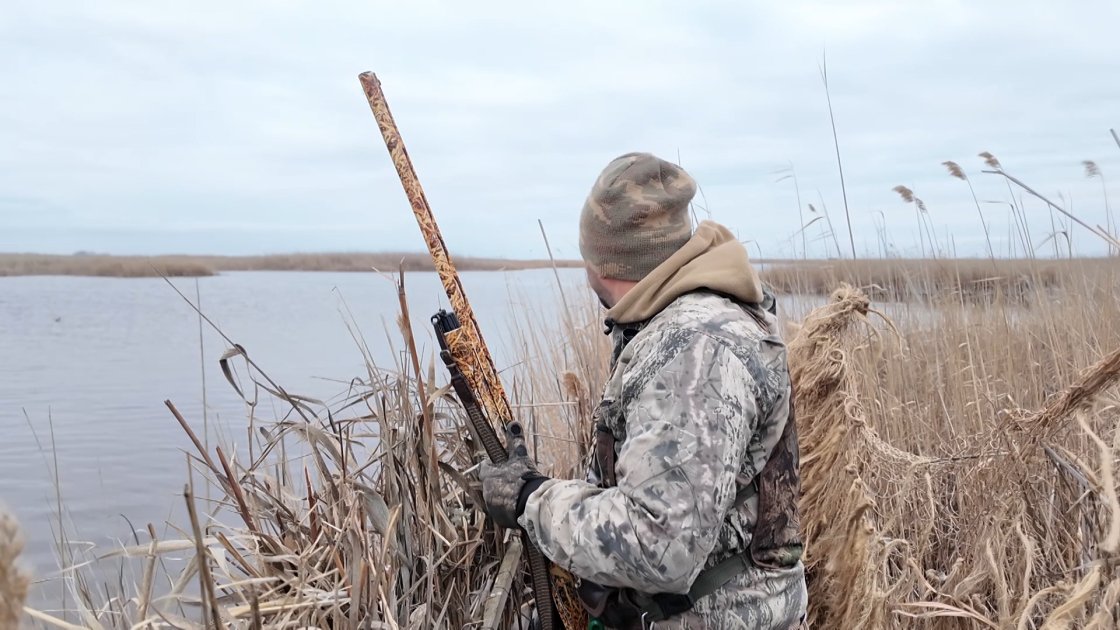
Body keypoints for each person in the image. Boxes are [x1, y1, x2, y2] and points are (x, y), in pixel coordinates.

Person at [479, 152, 808, 629]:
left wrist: (531, 499)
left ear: (603, 261)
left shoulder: (694, 350)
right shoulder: (693, 321)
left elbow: (660, 546)